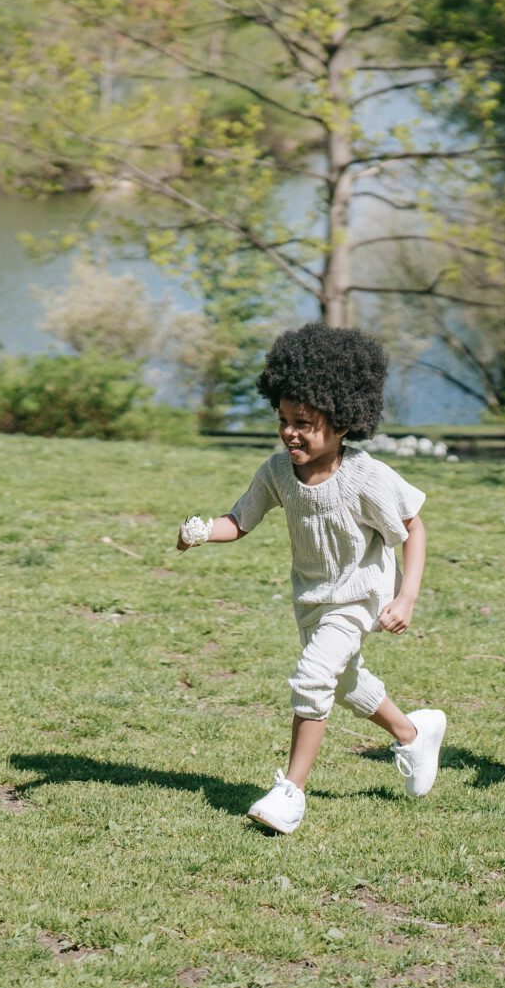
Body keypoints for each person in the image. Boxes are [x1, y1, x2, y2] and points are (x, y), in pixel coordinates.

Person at [175, 323, 446, 834]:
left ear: (344, 422)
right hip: (312, 598)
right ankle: (413, 733)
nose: (289, 432)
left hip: (359, 597)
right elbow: (239, 521)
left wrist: (406, 597)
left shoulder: (367, 477)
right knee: (344, 683)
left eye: (304, 422)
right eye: (282, 419)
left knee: (312, 679)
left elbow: (413, 527)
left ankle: (290, 793)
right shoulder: (277, 473)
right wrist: (199, 531)